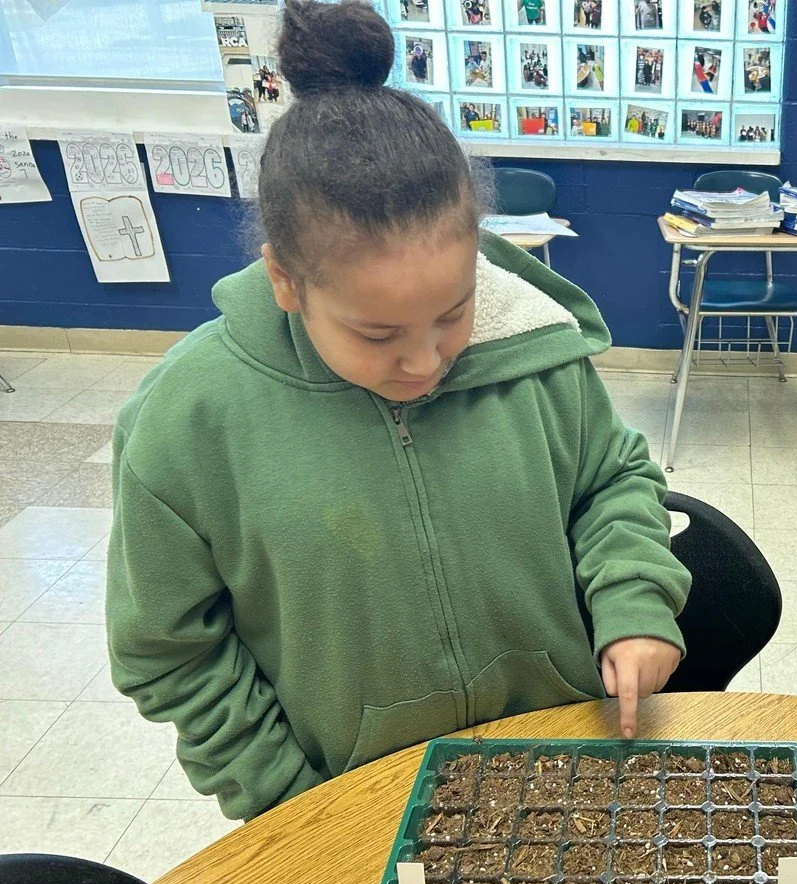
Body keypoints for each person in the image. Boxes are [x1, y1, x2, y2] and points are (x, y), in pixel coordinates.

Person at [106, 0, 690, 823]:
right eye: (376, 332)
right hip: (350, 807)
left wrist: (633, 602)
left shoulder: (534, 345)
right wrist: (288, 801)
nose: (424, 362)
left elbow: (613, 481)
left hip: (566, 768)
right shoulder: (185, 425)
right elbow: (170, 653)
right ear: (284, 281)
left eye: (454, 310)